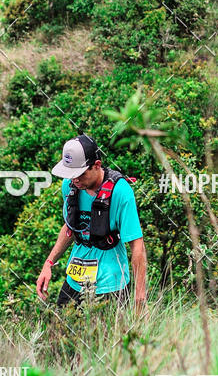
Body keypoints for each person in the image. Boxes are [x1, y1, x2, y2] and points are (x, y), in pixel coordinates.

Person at [36, 134, 147, 312]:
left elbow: (137, 244)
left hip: (112, 283)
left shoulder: (120, 192)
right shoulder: (70, 186)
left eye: (79, 174)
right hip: (75, 279)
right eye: (70, 175)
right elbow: (70, 227)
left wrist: (140, 298)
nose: (75, 180)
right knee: (59, 334)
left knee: (111, 338)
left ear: (96, 165)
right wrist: (48, 263)